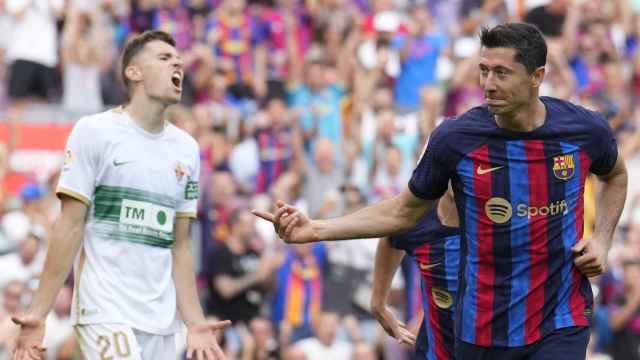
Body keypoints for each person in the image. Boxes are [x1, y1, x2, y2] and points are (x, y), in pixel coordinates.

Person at [253, 22, 628, 359]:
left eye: (502, 72)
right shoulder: (456, 138)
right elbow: (403, 213)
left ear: (537, 76)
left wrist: (603, 239)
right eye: (483, 70)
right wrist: (316, 229)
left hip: (560, 318)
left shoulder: (583, 130)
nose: (488, 84)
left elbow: (615, 175)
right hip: (482, 329)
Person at [11, 31, 230, 360]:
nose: (178, 64)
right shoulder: (94, 131)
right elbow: (68, 227)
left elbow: (179, 246)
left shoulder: (187, 150)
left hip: (161, 321)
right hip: (104, 310)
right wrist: (38, 314)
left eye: (179, 60)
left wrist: (195, 322)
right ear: (134, 72)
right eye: (164, 57)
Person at [371, 190, 459, 360]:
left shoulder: (504, 219)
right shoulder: (424, 215)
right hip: (436, 348)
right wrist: (378, 303)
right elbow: (393, 234)